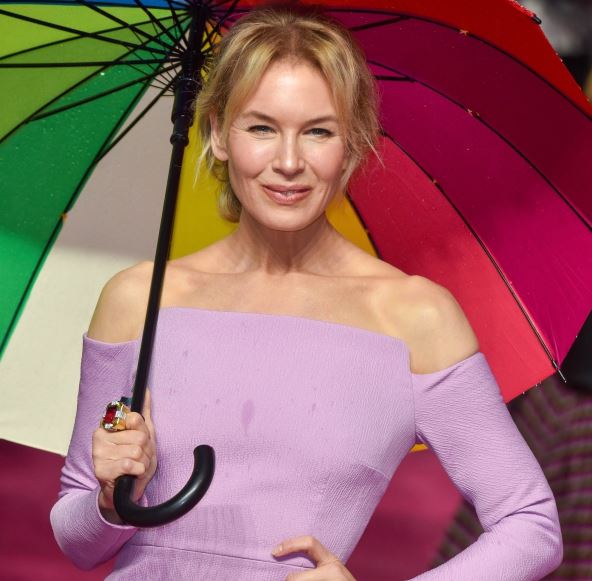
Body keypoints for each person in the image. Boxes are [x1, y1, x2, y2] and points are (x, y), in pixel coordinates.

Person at [50, 4, 563, 579]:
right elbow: (77, 539)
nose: (289, 162)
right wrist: (108, 499)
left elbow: (531, 525)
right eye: (261, 128)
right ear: (217, 133)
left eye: (318, 131)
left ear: (353, 143)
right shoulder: (138, 299)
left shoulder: (413, 317)